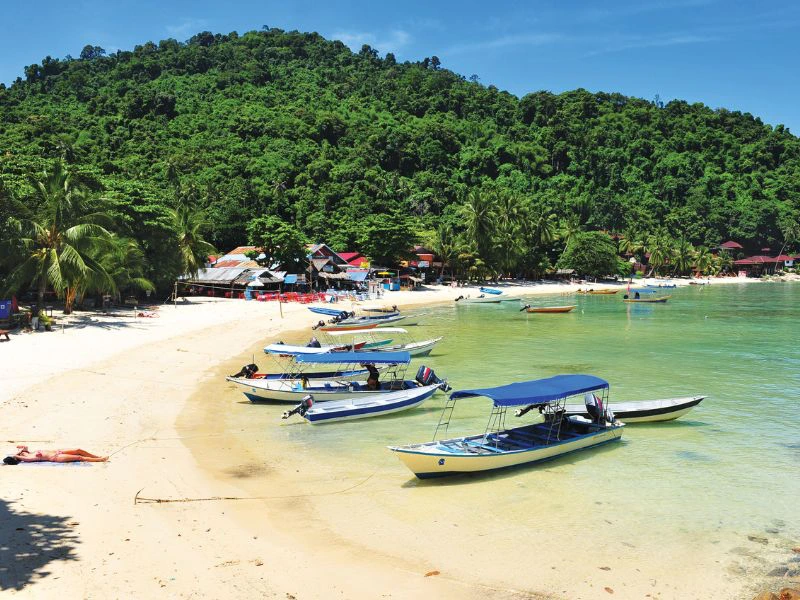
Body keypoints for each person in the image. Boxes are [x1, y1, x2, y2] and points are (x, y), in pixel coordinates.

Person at [4, 445, 108, 464]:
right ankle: (100, 460)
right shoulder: (27, 458)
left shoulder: (28, 453)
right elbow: (17, 455)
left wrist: (21, 450)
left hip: (57, 451)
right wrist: (17, 454)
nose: (24, 450)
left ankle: (96, 456)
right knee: (79, 457)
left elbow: (24, 447)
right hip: (56, 457)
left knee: (78, 449)